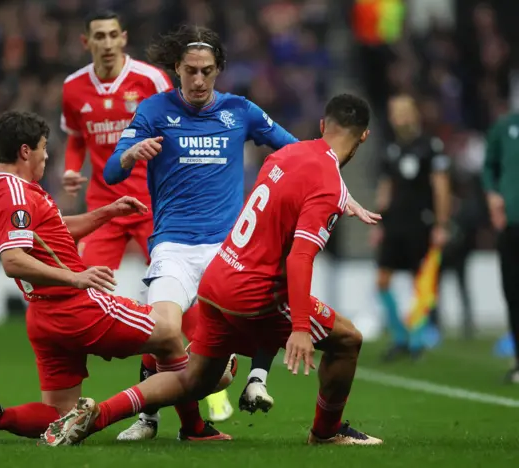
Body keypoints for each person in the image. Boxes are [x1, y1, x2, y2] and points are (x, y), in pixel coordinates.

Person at [41, 93, 383, 447]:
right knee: (347, 339)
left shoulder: (286, 154)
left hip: (219, 278)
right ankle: (326, 432)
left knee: (194, 380)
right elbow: (299, 257)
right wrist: (299, 328)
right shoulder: (327, 182)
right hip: (252, 292)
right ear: (364, 136)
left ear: (323, 125)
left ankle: (97, 415)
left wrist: (339, 194)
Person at [103, 25, 380, 438]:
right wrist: (130, 155)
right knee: (164, 332)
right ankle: (150, 418)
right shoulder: (153, 111)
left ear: (219, 70)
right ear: (176, 67)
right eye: (191, 71)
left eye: (208, 71)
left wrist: (338, 192)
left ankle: (226, 399)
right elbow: (110, 172)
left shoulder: (240, 111)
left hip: (227, 252)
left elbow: (297, 153)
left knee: (217, 370)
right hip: (174, 247)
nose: (198, 80)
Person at [0, 111, 230, 444]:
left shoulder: (7, 188)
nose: (47, 155)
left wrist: (106, 213)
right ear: (25, 151)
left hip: (44, 317)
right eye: (43, 148)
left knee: (57, 413)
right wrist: (75, 279)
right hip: (75, 308)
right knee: (169, 334)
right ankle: (192, 428)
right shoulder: (18, 196)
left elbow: (54, 232)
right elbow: (13, 260)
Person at [61, 10, 171, 271]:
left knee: (171, 278)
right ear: (86, 42)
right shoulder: (73, 87)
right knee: (86, 283)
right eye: (100, 36)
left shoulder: (151, 80)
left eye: (113, 35)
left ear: (123, 38)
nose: (108, 43)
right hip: (104, 207)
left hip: (152, 202)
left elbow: (177, 131)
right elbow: (76, 138)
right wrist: (71, 168)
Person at [370, 94, 451, 361]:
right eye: (394, 112)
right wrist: (377, 221)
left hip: (421, 222)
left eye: (402, 111)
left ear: (414, 114)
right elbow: (386, 187)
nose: (397, 117)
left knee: (421, 282)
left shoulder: (430, 146)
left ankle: (417, 341)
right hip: (394, 223)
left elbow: (440, 187)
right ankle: (400, 336)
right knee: (382, 281)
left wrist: (441, 224)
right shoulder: (390, 148)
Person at [482, 110, 519, 384]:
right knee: (514, 293)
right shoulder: (505, 127)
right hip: (512, 224)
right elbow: (488, 167)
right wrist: (493, 195)